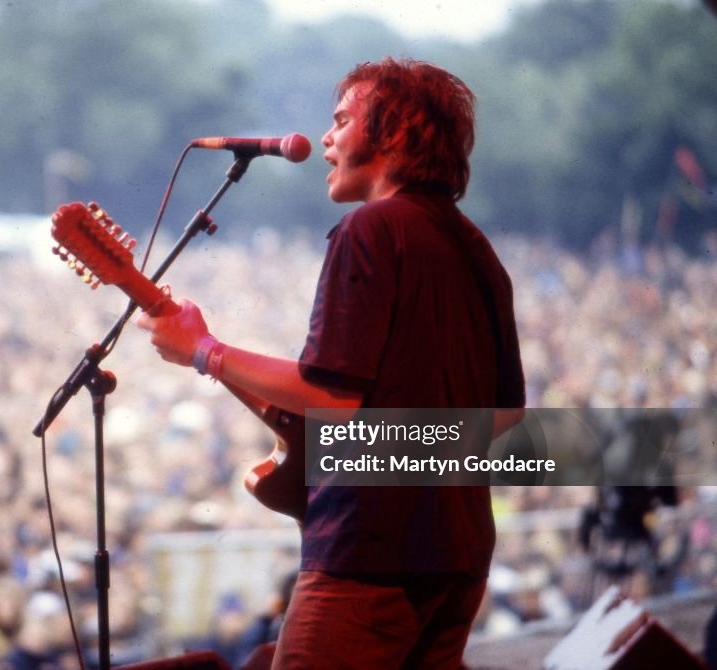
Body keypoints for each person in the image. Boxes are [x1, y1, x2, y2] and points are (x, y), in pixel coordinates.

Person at [137, 57, 526, 669]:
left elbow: (334, 398)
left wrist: (204, 352)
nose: (325, 137)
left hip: (368, 554)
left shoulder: (370, 230)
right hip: (460, 550)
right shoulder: (477, 250)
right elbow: (507, 412)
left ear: (394, 133)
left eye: (342, 120)